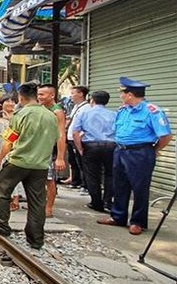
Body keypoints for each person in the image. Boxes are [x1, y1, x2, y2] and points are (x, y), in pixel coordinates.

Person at [98, 77, 172, 235]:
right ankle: (118, 216)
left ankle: (138, 222)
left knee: (140, 188)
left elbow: (165, 136)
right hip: (120, 150)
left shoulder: (152, 111)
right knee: (119, 185)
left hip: (140, 153)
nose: (121, 96)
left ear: (130, 94)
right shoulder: (123, 110)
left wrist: (154, 150)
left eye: (122, 93)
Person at [0, 83, 58, 249]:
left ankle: (1, 224)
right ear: (36, 96)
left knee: (3, 191)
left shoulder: (20, 115)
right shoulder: (51, 116)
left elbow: (8, 141)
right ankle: (36, 239)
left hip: (17, 162)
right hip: (40, 165)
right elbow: (56, 138)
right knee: (37, 201)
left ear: (21, 98)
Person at [72, 90, 116, 212]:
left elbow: (75, 132)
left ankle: (96, 202)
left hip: (91, 145)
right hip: (111, 145)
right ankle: (108, 201)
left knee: (92, 175)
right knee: (110, 174)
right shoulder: (114, 114)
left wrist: (79, 147)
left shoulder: (84, 113)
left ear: (92, 100)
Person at [0, 93, 24, 211]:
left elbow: (18, 133)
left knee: (11, 173)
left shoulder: (17, 116)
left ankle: (15, 200)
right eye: (8, 101)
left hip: (10, 146)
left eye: (13, 101)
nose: (11, 104)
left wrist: (9, 119)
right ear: (1, 104)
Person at [37, 84, 67, 217]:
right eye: (38, 94)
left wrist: (60, 157)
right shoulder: (40, 108)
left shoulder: (57, 111)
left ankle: (49, 208)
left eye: (42, 94)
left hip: (48, 150)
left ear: (52, 95)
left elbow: (61, 135)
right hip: (38, 148)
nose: (39, 97)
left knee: (49, 179)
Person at [63, 86, 90, 189]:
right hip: (70, 138)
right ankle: (75, 181)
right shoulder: (76, 106)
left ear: (81, 94)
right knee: (73, 161)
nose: (71, 96)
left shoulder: (86, 108)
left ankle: (85, 184)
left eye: (73, 93)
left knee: (81, 162)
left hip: (78, 138)